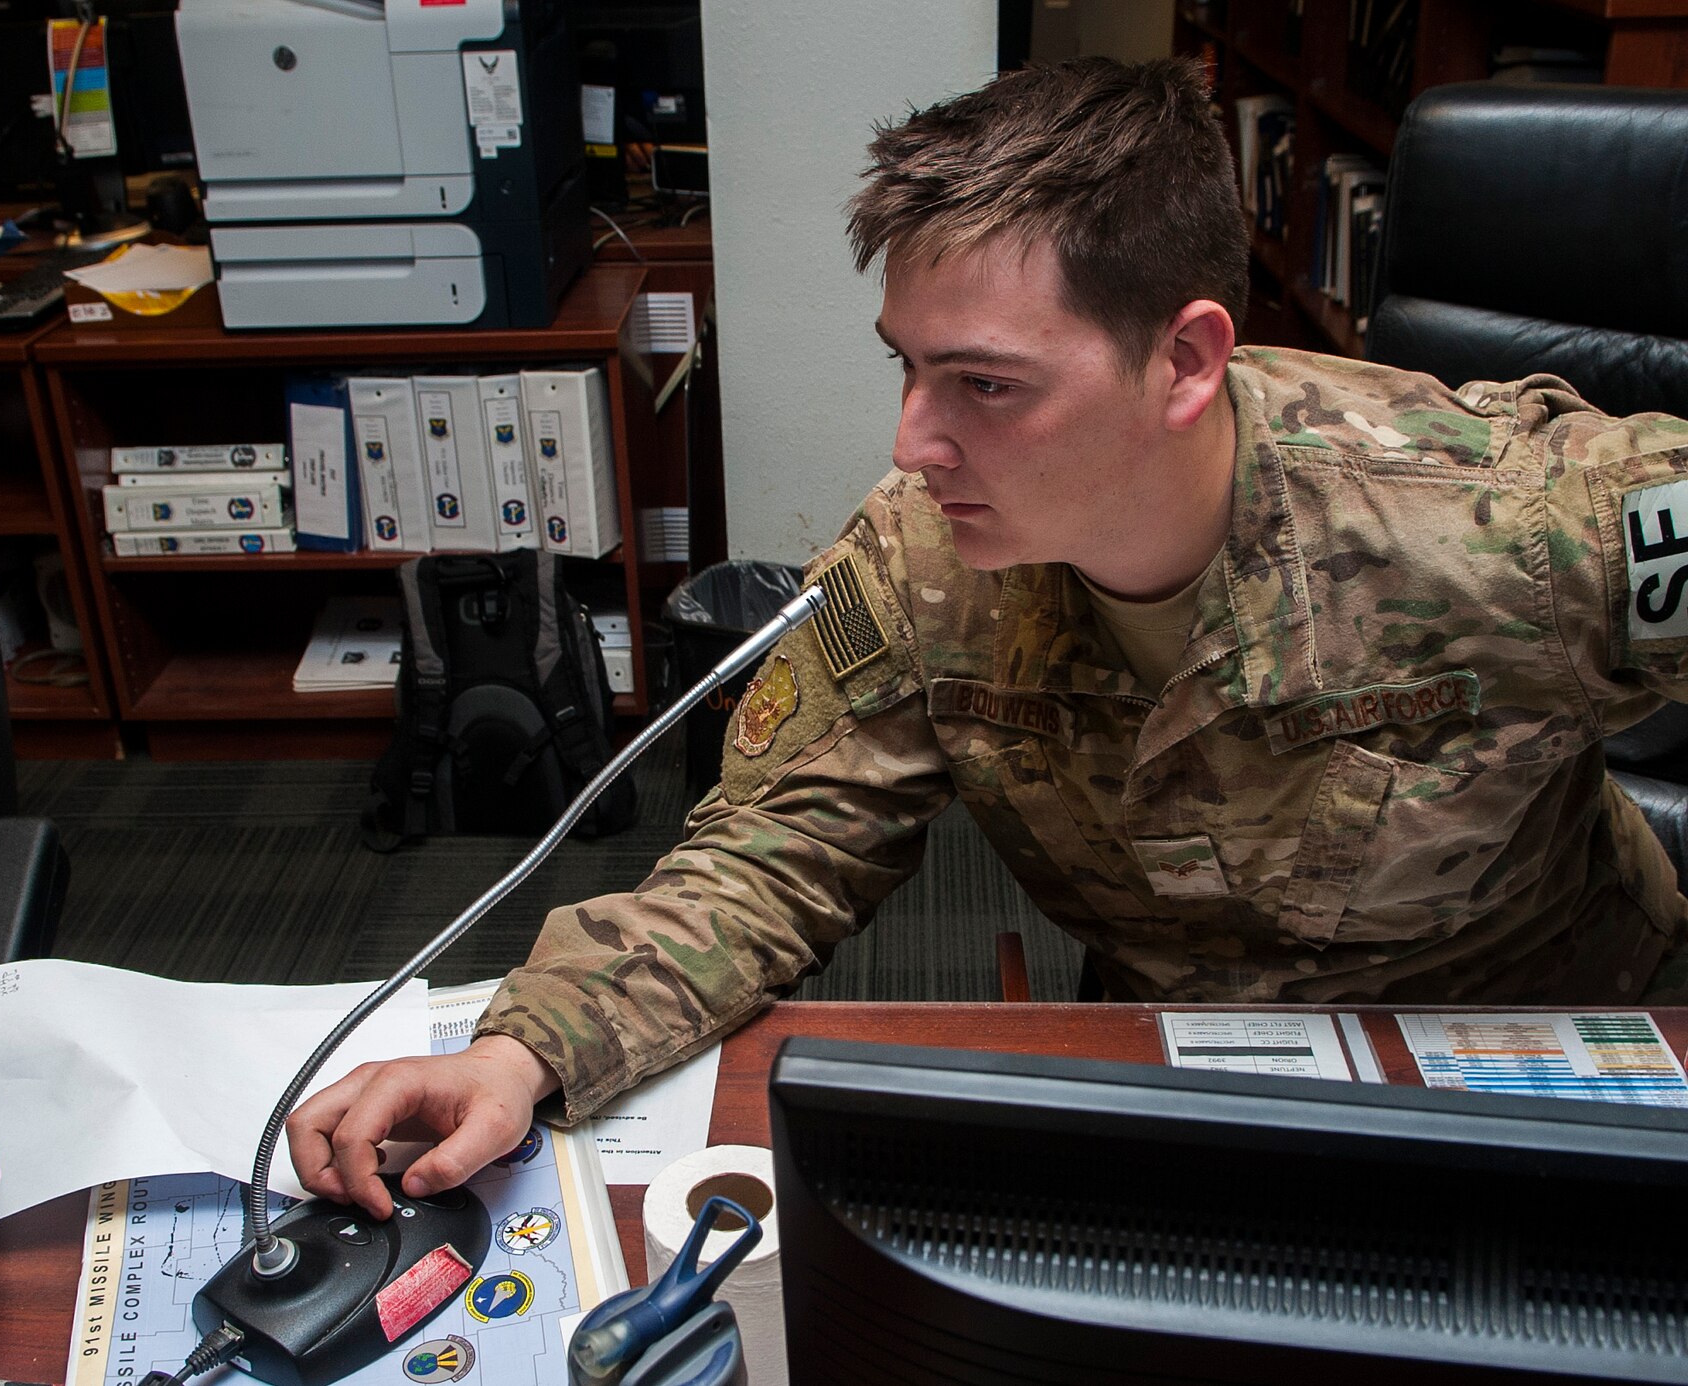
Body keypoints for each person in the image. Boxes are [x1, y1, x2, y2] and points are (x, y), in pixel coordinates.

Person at [291, 56, 1688, 1220]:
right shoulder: (915, 564)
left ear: (1187, 361)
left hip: (1539, 1080)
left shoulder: (1504, 521)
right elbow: (768, 853)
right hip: (1187, 1078)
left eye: (985, 383)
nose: (913, 441)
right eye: (906, 365)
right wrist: (527, 1046)